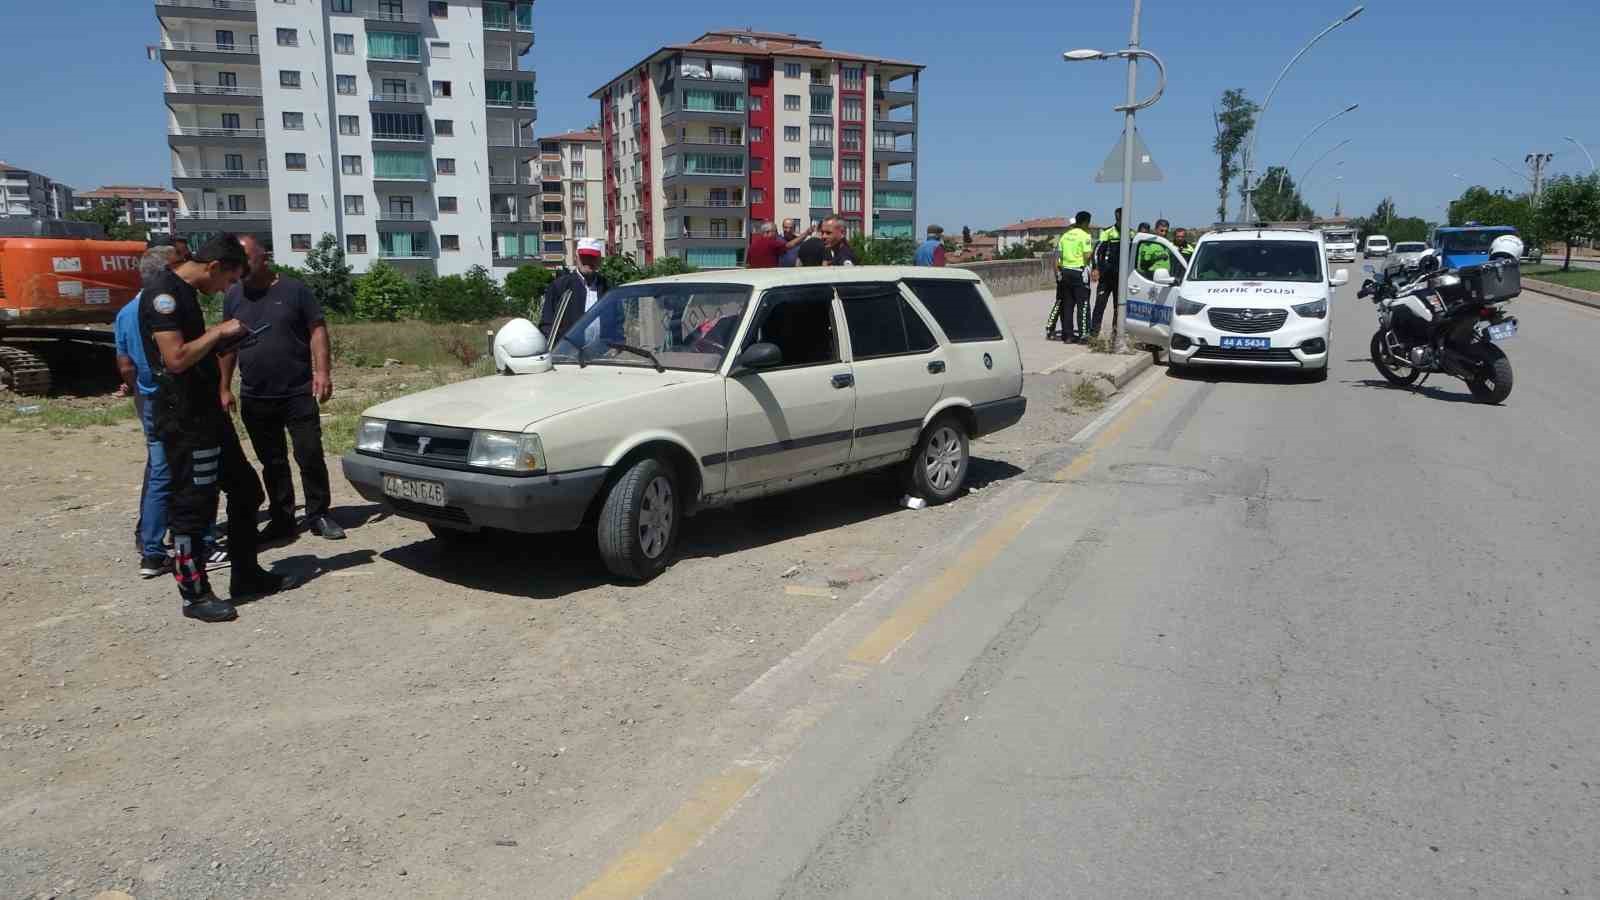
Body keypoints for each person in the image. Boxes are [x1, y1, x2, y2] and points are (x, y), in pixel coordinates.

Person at [139, 233, 298, 622]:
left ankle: (246, 575)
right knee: (193, 507)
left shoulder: (186, 293)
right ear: (214, 267)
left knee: (245, 490)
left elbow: (194, 352)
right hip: (185, 420)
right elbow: (174, 359)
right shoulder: (165, 294)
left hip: (207, 414)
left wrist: (223, 345)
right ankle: (195, 595)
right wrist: (218, 332)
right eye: (228, 280)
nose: (227, 288)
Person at [219, 236, 343, 543]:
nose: (242, 266)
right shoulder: (233, 295)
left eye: (247, 258)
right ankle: (282, 518)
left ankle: (319, 514)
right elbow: (227, 346)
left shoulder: (295, 290)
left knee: (309, 453)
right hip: (255, 394)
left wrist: (323, 371)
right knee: (272, 461)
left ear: (264, 256)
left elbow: (317, 329)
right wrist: (223, 387)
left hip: (297, 390)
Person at [115, 245, 226, 578]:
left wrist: (138, 389)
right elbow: (178, 358)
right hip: (175, 401)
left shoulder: (124, 312)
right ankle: (199, 543)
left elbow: (124, 364)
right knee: (190, 473)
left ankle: (150, 545)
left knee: (159, 472)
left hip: (147, 400)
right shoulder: (166, 306)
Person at [540, 237, 613, 344]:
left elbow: (616, 321)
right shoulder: (560, 287)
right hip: (568, 356)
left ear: (599, 259)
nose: (588, 261)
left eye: (592, 257)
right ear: (576, 257)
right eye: (584, 257)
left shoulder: (606, 287)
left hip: (601, 355)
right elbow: (547, 324)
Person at [1050, 211, 1094, 343]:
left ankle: (1068, 335)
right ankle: (1084, 334)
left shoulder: (1065, 236)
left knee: (1068, 305)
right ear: (1086, 222)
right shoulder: (1085, 236)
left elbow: (1058, 256)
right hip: (1078, 272)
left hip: (1065, 272)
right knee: (1083, 304)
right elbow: (1086, 256)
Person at [1090, 207, 1123, 339]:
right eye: (1118, 217)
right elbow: (1097, 251)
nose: (1120, 220)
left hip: (1121, 279)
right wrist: (1095, 268)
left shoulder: (1131, 234)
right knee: (1100, 305)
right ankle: (1094, 334)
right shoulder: (1108, 232)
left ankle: (1115, 335)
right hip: (1106, 277)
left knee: (1119, 308)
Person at [747, 221, 812, 269]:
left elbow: (748, 264)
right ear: (767, 232)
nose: (777, 234)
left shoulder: (753, 244)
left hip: (756, 276)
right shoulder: (771, 242)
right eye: (775, 231)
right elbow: (788, 245)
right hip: (769, 276)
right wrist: (806, 233)